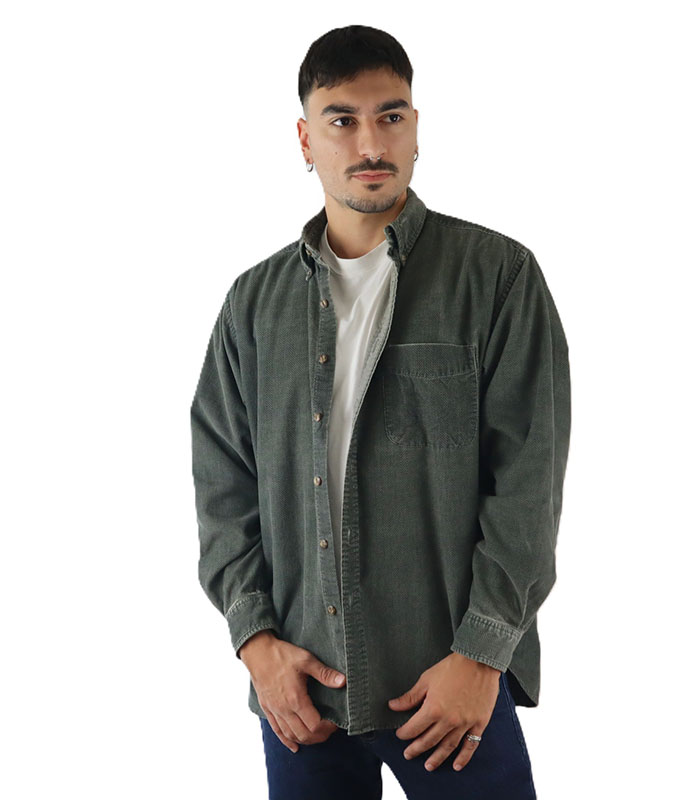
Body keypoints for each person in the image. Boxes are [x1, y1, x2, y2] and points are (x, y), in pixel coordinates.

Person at [190, 24, 570, 800]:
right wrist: (256, 643)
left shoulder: (497, 277)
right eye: (343, 120)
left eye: (390, 116)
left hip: (448, 690)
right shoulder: (253, 305)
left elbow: (528, 486)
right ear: (306, 139)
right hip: (302, 697)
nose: (371, 143)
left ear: (416, 127)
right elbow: (222, 485)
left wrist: (483, 653)